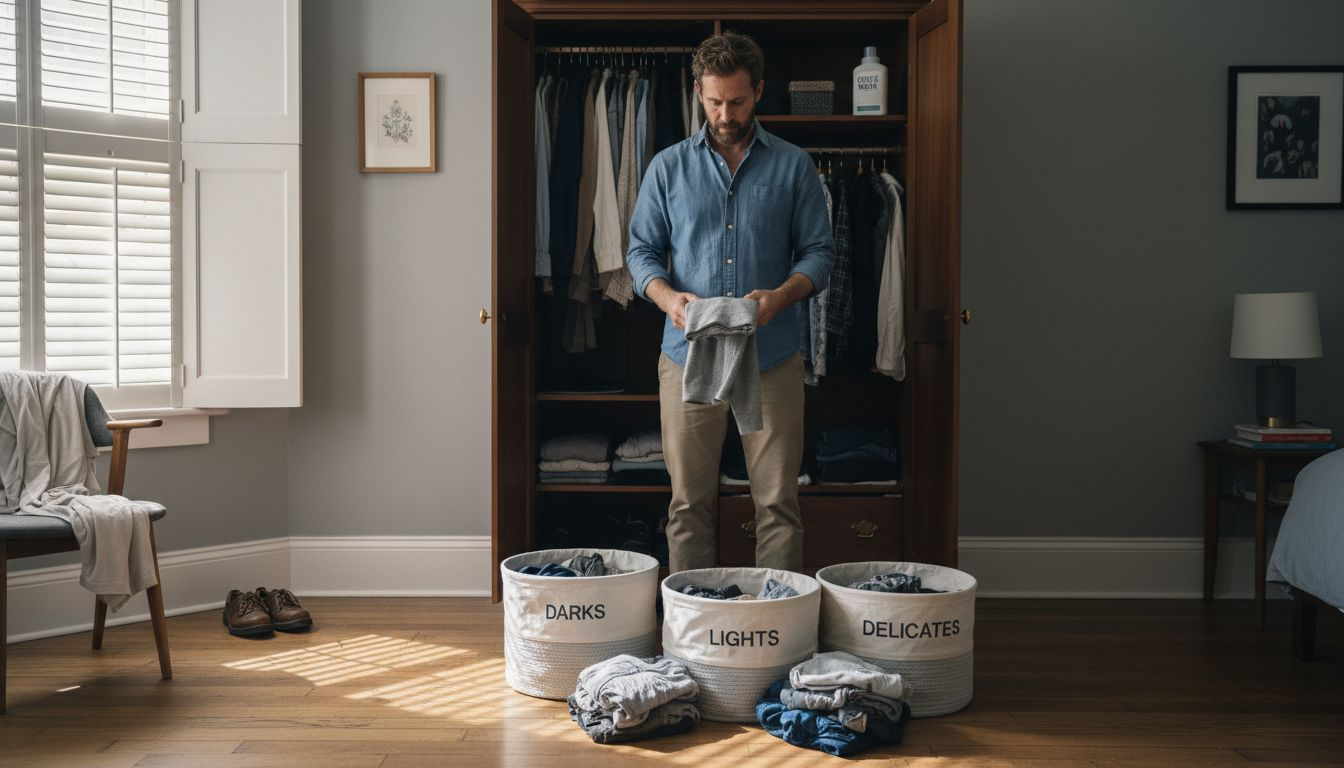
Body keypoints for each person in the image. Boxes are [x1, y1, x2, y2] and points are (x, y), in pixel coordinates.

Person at [626, 32, 835, 573]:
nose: (725, 114)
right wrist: (670, 298)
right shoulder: (667, 168)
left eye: (737, 101)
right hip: (686, 353)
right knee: (688, 506)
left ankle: (778, 629)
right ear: (699, 92)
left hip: (770, 354)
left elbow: (819, 253)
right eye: (715, 101)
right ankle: (694, 635)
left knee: (778, 506)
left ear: (759, 91)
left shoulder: (793, 167)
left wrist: (781, 296)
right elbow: (640, 252)